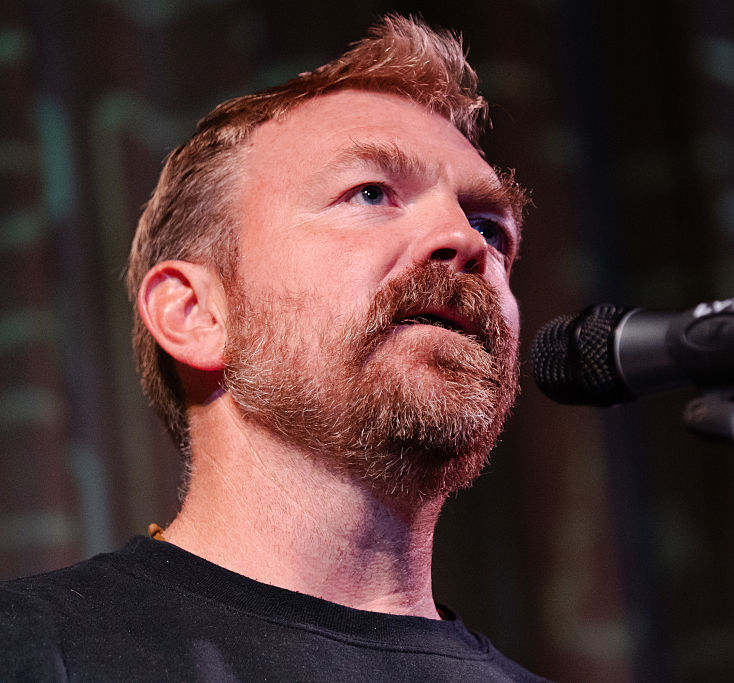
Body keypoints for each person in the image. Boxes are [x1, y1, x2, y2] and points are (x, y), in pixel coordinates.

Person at [0, 15, 547, 681]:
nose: (463, 240)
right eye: (371, 193)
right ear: (195, 314)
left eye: (490, 226)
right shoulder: (32, 649)